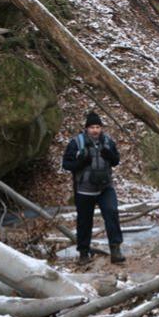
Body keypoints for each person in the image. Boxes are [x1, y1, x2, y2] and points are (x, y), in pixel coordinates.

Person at [61, 112, 125, 265]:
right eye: (92, 127)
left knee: (112, 213)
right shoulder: (76, 143)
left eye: (98, 127)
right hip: (84, 189)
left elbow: (116, 161)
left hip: (105, 187)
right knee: (84, 222)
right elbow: (66, 164)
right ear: (86, 128)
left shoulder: (108, 141)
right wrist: (82, 162)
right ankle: (84, 253)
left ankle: (115, 249)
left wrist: (109, 155)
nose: (95, 130)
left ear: (101, 128)